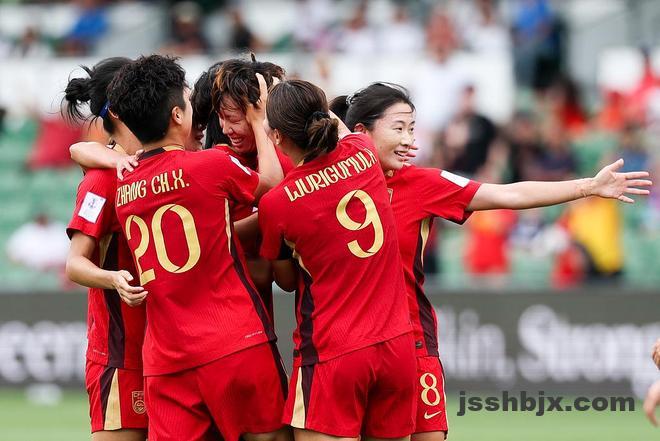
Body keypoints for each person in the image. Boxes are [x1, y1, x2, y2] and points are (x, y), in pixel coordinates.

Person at [330, 82, 652, 441]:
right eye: (398, 128)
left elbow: (508, 194)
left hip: (412, 344)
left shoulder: (421, 183)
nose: (409, 140)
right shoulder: (325, 186)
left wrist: (587, 186)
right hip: (345, 347)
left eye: (412, 129)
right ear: (360, 132)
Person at [108, 54, 289, 441]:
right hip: (234, 339)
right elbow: (273, 185)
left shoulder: (124, 187)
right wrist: (259, 119)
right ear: (177, 115)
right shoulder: (210, 164)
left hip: (166, 358)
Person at [259, 79, 416, 441]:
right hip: (396, 347)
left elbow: (285, 280)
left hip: (333, 352)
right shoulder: (363, 152)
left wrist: (260, 117)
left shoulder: (276, 203)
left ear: (278, 136)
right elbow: (336, 126)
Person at [61, 57, 147, 441]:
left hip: (173, 352)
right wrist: (114, 278)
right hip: (122, 355)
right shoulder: (101, 180)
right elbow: (75, 264)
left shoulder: (165, 165)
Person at [211, 57, 294, 318]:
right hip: (228, 318)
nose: (226, 129)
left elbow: (286, 280)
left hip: (267, 322)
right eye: (221, 118)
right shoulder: (221, 160)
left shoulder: (294, 159)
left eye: (233, 119)